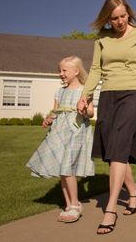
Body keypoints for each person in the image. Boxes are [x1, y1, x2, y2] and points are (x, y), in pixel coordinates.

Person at [76, 0, 136, 235]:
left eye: (123, 16)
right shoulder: (102, 38)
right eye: (114, 18)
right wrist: (86, 95)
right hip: (109, 97)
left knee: (119, 147)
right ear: (107, 18)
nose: (120, 21)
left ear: (129, 13)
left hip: (133, 94)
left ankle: (110, 208)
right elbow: (95, 69)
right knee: (115, 150)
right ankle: (134, 192)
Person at [27, 56, 95, 223]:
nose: (61, 73)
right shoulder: (60, 91)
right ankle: (70, 204)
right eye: (60, 70)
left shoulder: (85, 91)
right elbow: (55, 111)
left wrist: (84, 111)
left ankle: (74, 206)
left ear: (76, 71)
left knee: (67, 169)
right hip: (59, 132)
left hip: (76, 132)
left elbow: (92, 113)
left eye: (64, 70)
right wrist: (49, 118)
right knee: (61, 170)